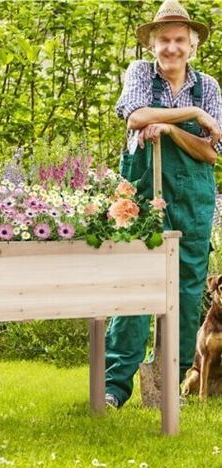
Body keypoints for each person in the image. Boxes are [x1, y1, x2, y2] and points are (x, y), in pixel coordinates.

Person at [105, 0, 222, 408]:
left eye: (179, 40)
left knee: (188, 292)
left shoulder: (208, 86)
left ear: (191, 46)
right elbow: (135, 117)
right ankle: (115, 387)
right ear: (153, 45)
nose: (171, 48)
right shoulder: (139, 73)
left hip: (193, 198)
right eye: (164, 41)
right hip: (142, 192)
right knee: (135, 284)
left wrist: (171, 130)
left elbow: (210, 153)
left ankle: (168, 382)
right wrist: (191, 114)